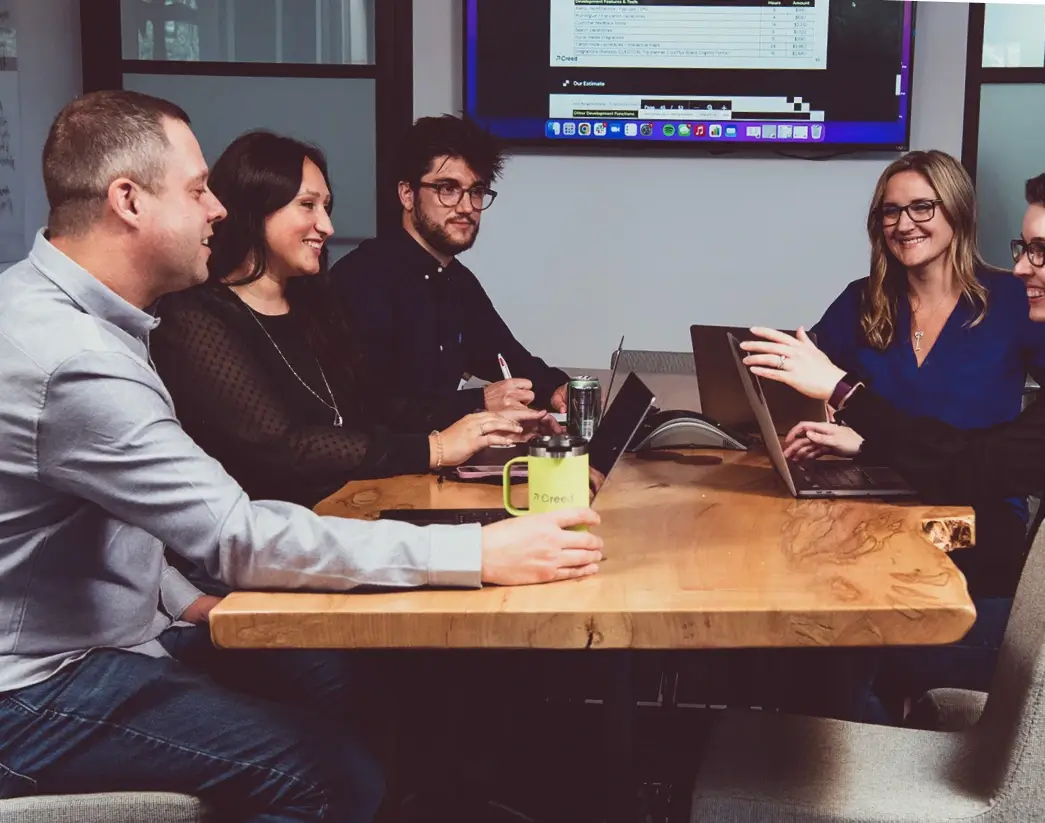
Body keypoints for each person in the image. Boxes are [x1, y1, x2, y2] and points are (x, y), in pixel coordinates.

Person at [0, 90, 603, 822]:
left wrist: (173, 594)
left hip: (122, 639)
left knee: (352, 685)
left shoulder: (66, 310)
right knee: (332, 773)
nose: (217, 209)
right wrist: (477, 552)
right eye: (197, 190)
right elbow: (237, 533)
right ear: (127, 200)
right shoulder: (78, 357)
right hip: (35, 690)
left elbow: (98, 502)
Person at [742, 163, 1045, 720]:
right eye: (1024, 248)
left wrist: (846, 392)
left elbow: (982, 467)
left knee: (848, 637)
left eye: (1041, 251)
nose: (1021, 267)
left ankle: (845, 788)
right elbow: (1004, 447)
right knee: (836, 600)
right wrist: (862, 445)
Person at [151, 130, 556, 511]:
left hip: (353, 504)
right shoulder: (196, 316)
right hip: (267, 536)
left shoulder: (313, 304)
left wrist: (492, 427)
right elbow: (283, 447)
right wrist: (438, 445)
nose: (326, 226)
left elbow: (363, 415)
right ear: (255, 209)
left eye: (326, 207)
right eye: (307, 205)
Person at [811, 150, 1045, 597]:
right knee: (803, 551)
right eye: (890, 211)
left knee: (885, 555)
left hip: (974, 518)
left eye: (922, 207)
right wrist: (821, 426)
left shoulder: (1012, 299)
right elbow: (813, 376)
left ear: (957, 211)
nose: (904, 224)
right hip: (875, 498)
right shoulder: (861, 300)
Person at [331, 114, 570, 426]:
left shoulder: (457, 280)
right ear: (407, 194)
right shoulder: (363, 279)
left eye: (476, 191)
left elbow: (506, 356)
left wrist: (556, 390)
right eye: (448, 189)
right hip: (376, 470)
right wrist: (481, 402)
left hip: (438, 463)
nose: (467, 206)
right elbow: (370, 409)